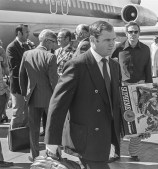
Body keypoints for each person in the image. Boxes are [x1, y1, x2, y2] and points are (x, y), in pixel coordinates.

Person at [45, 21, 121, 169]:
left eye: (113, 39)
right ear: (92, 40)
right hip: (86, 140)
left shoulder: (114, 65)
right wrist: (52, 142)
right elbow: (58, 104)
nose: (112, 44)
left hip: (108, 138)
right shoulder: (77, 65)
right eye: (107, 40)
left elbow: (113, 103)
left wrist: (133, 128)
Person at [111, 21, 152, 162]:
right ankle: (115, 152)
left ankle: (133, 153)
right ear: (126, 33)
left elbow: (148, 72)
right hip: (122, 88)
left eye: (136, 31)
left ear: (139, 33)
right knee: (119, 121)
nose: (133, 34)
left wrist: (149, 92)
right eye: (130, 32)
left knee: (138, 122)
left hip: (140, 89)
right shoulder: (118, 49)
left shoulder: (146, 49)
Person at [19, 29, 58, 161]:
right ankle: (52, 155)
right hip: (49, 98)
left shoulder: (26, 54)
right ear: (47, 41)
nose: (54, 45)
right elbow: (54, 81)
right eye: (53, 42)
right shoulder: (51, 57)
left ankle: (35, 156)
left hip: (32, 96)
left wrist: (25, 93)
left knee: (34, 129)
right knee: (51, 128)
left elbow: (22, 76)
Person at [6, 24, 32, 129]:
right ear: (19, 33)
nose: (28, 34)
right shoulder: (11, 47)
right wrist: (31, 69)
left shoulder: (26, 46)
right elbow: (15, 67)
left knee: (27, 114)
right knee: (17, 113)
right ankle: (13, 140)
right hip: (18, 86)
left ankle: (23, 140)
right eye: (26, 32)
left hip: (27, 86)